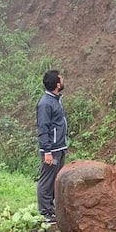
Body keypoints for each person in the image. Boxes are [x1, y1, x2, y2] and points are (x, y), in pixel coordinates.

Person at [36, 69, 68, 223]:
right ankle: (45, 212)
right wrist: (47, 151)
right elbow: (43, 128)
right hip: (51, 150)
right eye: (61, 79)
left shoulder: (55, 99)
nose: (63, 80)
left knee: (56, 179)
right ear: (57, 84)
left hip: (59, 148)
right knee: (47, 180)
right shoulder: (45, 103)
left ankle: (52, 209)